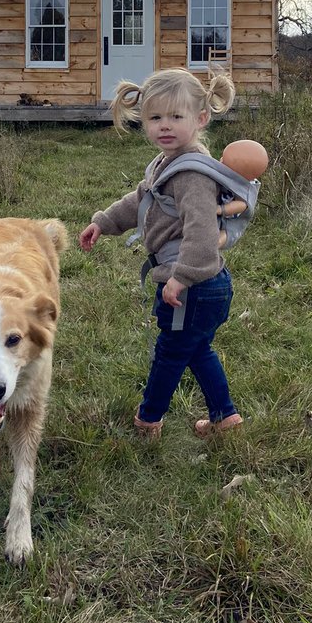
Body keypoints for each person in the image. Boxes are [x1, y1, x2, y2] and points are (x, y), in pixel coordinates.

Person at [78, 67, 244, 440]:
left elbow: (201, 233)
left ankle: (148, 420)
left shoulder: (191, 176)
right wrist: (103, 222)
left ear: (200, 118)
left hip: (193, 284)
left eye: (175, 117)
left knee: (170, 353)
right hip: (200, 284)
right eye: (155, 117)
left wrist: (181, 277)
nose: (164, 126)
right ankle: (226, 418)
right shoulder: (167, 162)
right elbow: (140, 199)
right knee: (196, 349)